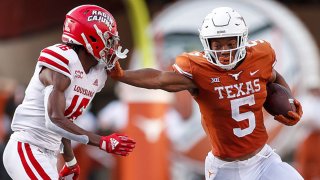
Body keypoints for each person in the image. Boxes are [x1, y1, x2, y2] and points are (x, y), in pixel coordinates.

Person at [109, 7, 303, 180]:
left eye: (229, 44)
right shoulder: (199, 71)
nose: (224, 51)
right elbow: (160, 79)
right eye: (217, 45)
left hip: (263, 160)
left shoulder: (259, 57)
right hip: (225, 168)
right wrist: (123, 75)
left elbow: (274, 76)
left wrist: (289, 102)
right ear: (206, 43)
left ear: (242, 40)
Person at [2, 4, 136, 180]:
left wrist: (71, 161)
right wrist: (102, 141)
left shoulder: (96, 73)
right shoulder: (62, 60)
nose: (112, 46)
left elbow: (64, 123)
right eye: (108, 39)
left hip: (48, 153)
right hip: (27, 147)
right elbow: (54, 119)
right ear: (90, 38)